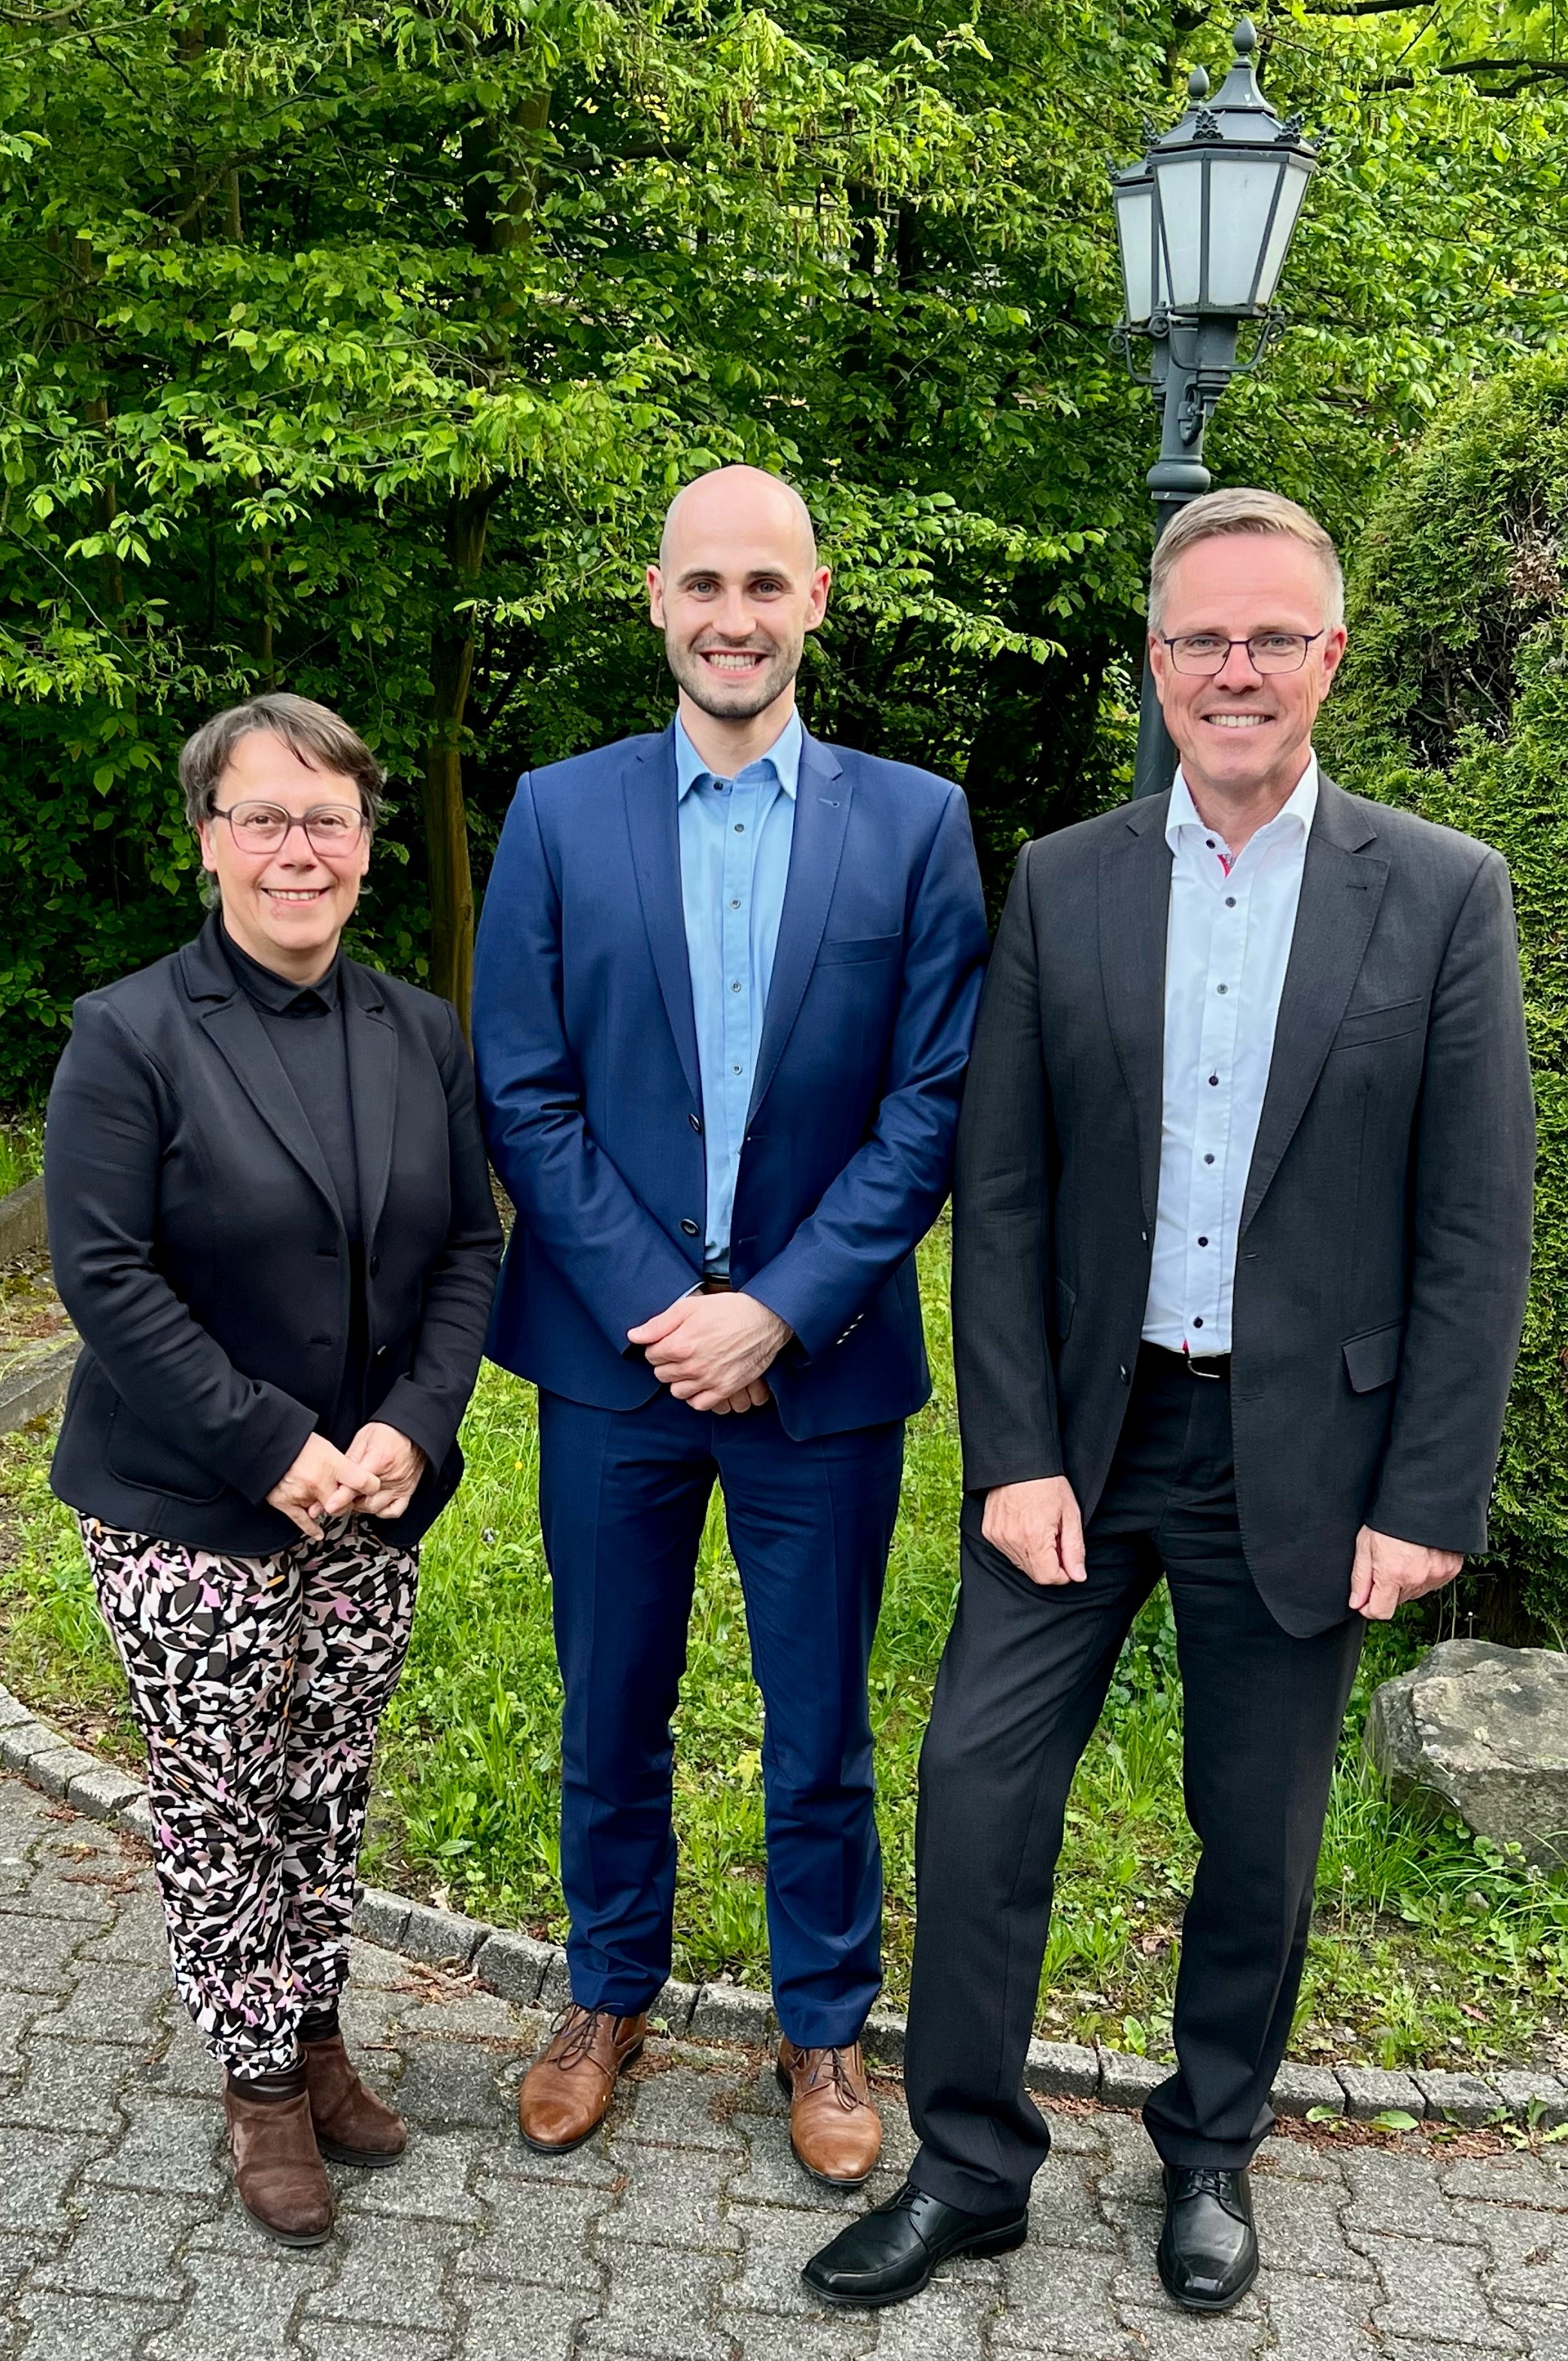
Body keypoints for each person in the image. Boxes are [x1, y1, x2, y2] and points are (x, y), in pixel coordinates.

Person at [804, 488, 1536, 2311]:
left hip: (1309, 1454)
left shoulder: (1439, 892)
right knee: (976, 1796)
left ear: (1325, 662)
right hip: (1086, 1438)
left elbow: (1473, 1219)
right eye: (1201, 636)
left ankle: (1208, 2148)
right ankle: (971, 2164)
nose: (1234, 668)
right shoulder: (1062, 879)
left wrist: (1426, 1491)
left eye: (1270, 637)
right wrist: (1014, 1454)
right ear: (1153, 660)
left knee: (1257, 1833)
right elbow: (1008, 1189)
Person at [473, 464, 987, 2185]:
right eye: (703, 584)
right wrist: (663, 1308)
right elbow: (524, 1092)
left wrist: (769, 1310)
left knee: (819, 1720)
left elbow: (929, 1102)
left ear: (816, 602)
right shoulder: (557, 813)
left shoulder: (912, 824)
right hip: (610, 1367)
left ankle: (823, 2028)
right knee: (607, 1700)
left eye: (764, 586)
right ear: (654, 598)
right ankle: (604, 1992)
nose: (732, 617)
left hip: (818, 1369)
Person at [45, 694, 501, 2247]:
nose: (296, 849)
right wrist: (265, 1444)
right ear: (207, 844)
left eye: (328, 819)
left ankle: (316, 2036)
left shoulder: (418, 1031)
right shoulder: (131, 1033)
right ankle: (254, 2084)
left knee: (323, 1785)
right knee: (223, 1798)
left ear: (366, 846)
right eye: (263, 817)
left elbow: (467, 1252)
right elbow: (101, 1274)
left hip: (372, 1495)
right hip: (189, 1506)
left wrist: (411, 1427)